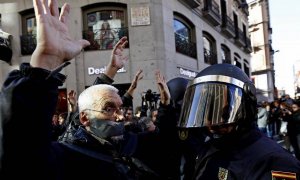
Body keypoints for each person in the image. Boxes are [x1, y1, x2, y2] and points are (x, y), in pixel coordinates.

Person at [0, 0, 170, 179]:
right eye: (110, 109)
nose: (120, 116)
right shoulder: (68, 156)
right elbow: (21, 159)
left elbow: (163, 142)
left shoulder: (127, 142)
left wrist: (166, 105)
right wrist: (45, 63)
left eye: (121, 107)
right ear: (84, 118)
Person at [177, 63, 300, 179]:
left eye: (220, 110)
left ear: (245, 105)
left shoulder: (276, 163)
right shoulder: (210, 148)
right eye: (205, 109)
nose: (210, 122)